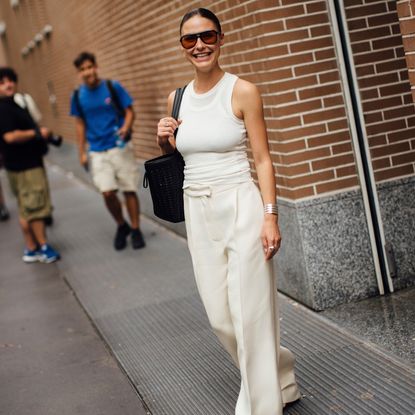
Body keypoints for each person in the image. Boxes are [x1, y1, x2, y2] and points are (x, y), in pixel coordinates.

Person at [157, 8, 300, 415]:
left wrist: (270, 215)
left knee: (250, 314)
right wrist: (165, 140)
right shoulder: (177, 98)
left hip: (241, 205)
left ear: (221, 39)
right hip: (197, 210)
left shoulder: (242, 91)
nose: (199, 45)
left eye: (207, 36)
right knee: (221, 318)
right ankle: (282, 374)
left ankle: (260, 405)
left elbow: (263, 158)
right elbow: (181, 157)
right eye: (190, 39)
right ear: (182, 46)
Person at [70, 52, 145, 250]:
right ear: (79, 73)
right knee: (107, 192)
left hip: (119, 146)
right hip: (97, 149)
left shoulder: (113, 87)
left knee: (129, 189)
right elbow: (79, 124)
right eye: (83, 69)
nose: (87, 72)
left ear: (96, 67)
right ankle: (122, 225)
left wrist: (126, 127)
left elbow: (129, 111)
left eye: (90, 67)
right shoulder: (78, 96)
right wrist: (82, 152)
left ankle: (136, 230)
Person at [0, 67, 60, 263]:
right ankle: (43, 247)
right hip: (25, 167)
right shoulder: (4, 108)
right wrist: (36, 134)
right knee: (35, 208)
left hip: (21, 165)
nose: (8, 84)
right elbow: (10, 137)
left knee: (26, 208)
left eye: (10, 80)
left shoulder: (14, 104)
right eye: (2, 82)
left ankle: (31, 248)